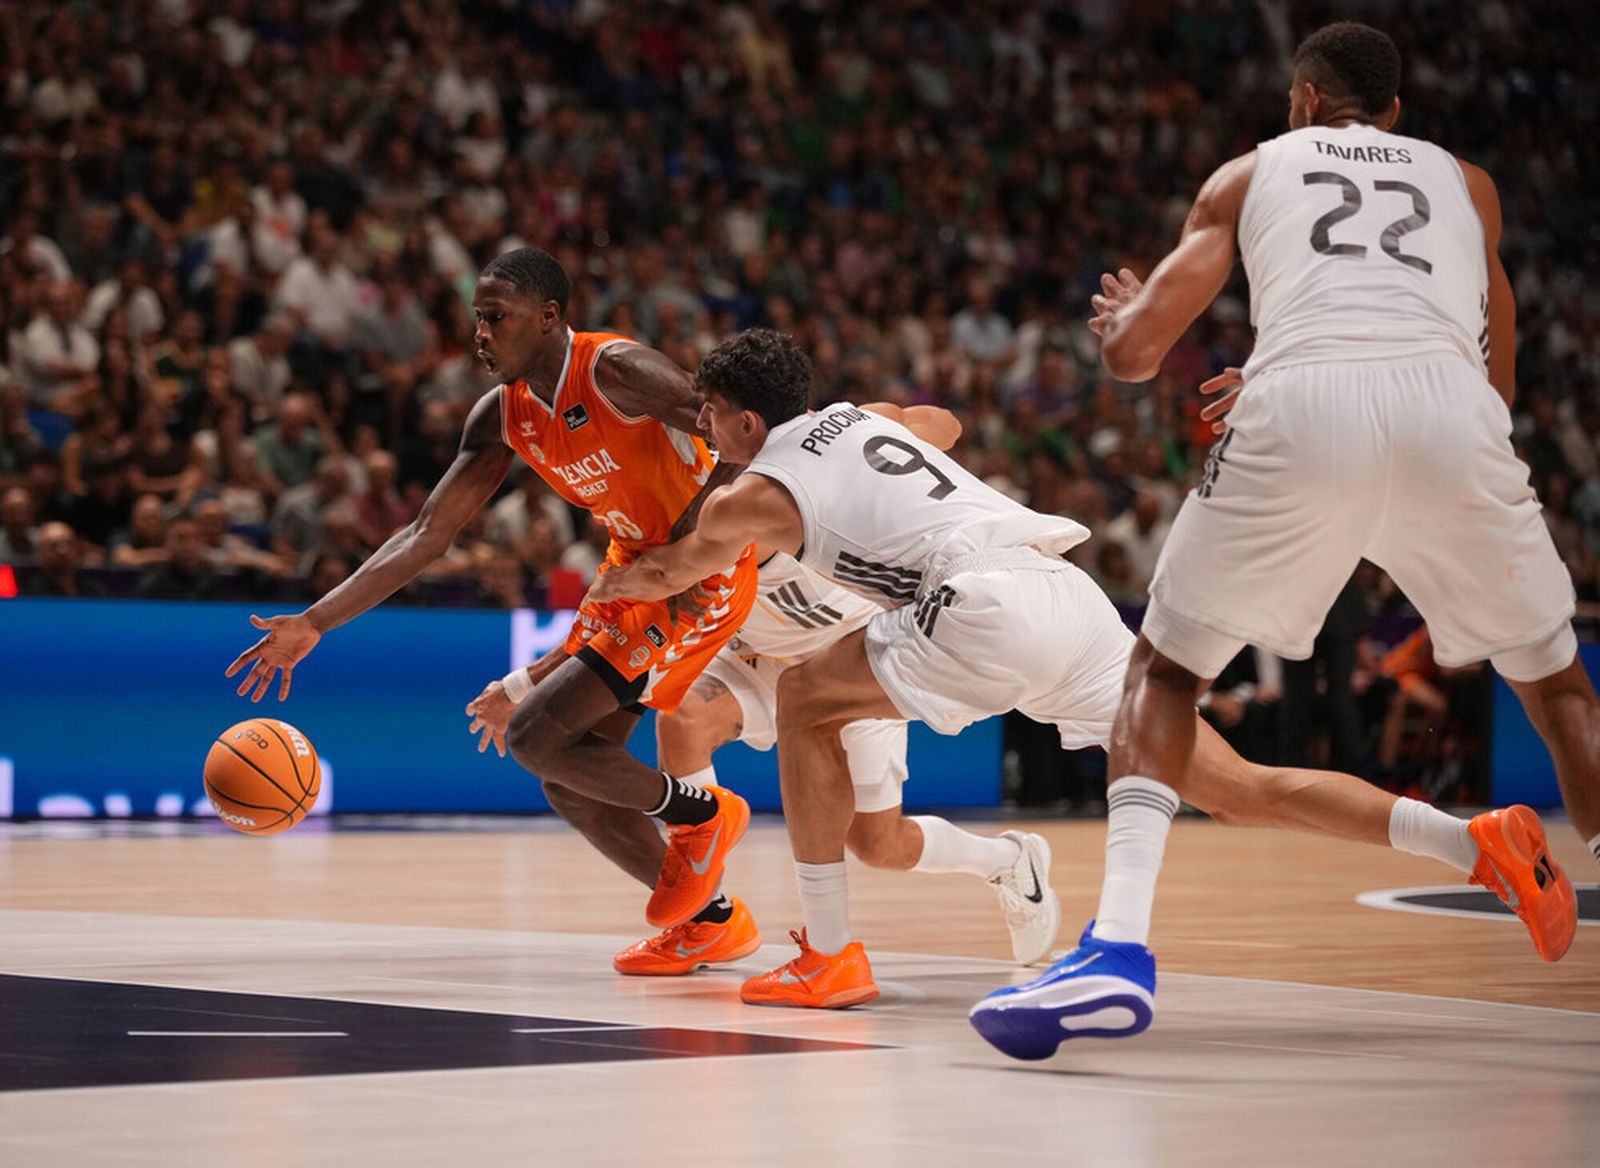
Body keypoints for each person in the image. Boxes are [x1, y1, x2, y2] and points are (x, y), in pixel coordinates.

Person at [586, 328, 1574, 1031]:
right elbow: (941, 422)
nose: (700, 428)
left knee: (805, 697)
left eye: (708, 414)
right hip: (1067, 595)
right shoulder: (863, 416)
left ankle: (829, 953)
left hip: (977, 600)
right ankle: (1473, 841)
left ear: (748, 417)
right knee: (1236, 786)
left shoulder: (750, 493)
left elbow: (667, 572)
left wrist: (623, 566)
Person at [1043, 20, 1591, 1050]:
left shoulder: (1249, 174)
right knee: (1557, 688)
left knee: (1161, 678)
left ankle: (1116, 944)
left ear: (1301, 100)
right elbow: (1497, 366)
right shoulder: (1467, 183)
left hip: (1297, 410)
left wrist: (1120, 318)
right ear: (1394, 114)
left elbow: (1134, 357)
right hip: (1450, 413)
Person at [229, 247, 758, 937]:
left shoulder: (618, 370)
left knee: (536, 736)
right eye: (476, 319)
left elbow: (745, 439)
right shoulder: (502, 415)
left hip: (701, 573)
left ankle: (705, 814)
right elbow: (424, 535)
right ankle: (712, 921)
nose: (480, 334)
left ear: (548, 318)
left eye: (496, 318)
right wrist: (316, 623)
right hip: (632, 573)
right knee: (568, 779)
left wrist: (693, 544)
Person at [473, 549, 1062, 975]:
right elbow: (616, 610)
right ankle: (707, 916)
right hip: (750, 658)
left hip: (848, 663)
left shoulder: (802, 490)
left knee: (878, 845)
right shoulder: (692, 506)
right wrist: (525, 684)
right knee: (681, 716)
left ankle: (1009, 861)